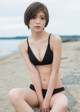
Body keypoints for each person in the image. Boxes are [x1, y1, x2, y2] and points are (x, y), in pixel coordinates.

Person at [9, 2, 68, 112]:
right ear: (27, 20)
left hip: (56, 91)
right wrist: (41, 100)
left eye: (42, 18)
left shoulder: (54, 39)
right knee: (13, 94)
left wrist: (47, 100)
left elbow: (55, 70)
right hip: (35, 92)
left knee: (63, 104)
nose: (38, 21)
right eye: (33, 17)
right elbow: (33, 72)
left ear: (46, 21)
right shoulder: (23, 45)